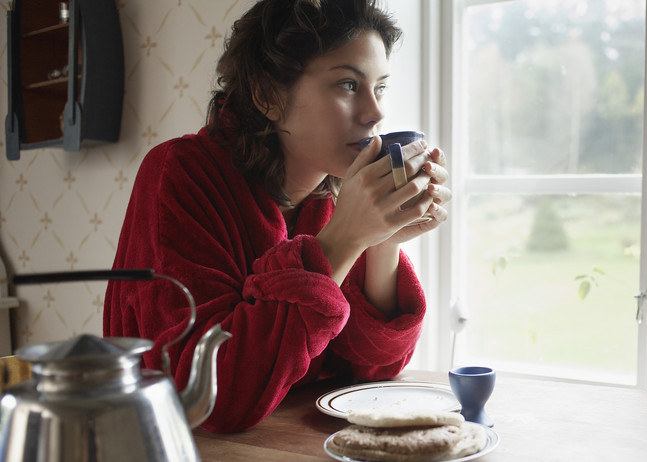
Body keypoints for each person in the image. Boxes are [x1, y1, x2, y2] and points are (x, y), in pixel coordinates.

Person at [104, 0, 450, 433]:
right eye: (347, 84)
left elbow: (374, 367)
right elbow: (209, 401)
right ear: (267, 95)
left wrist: (383, 236)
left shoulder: (332, 198)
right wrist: (342, 241)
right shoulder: (180, 173)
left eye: (379, 88)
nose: (375, 113)